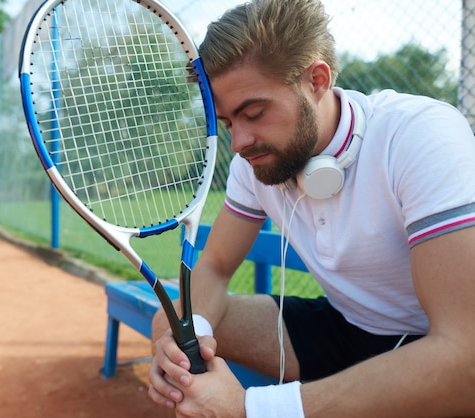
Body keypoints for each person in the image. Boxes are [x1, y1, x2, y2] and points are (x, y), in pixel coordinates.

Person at [147, 0, 475, 417]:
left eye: (254, 113)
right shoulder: (258, 158)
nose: (239, 143)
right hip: (342, 325)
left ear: (317, 79)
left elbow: (466, 354)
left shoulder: (420, 136)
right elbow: (213, 266)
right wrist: (182, 353)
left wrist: (253, 409)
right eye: (229, 123)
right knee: (172, 326)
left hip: (429, 344)